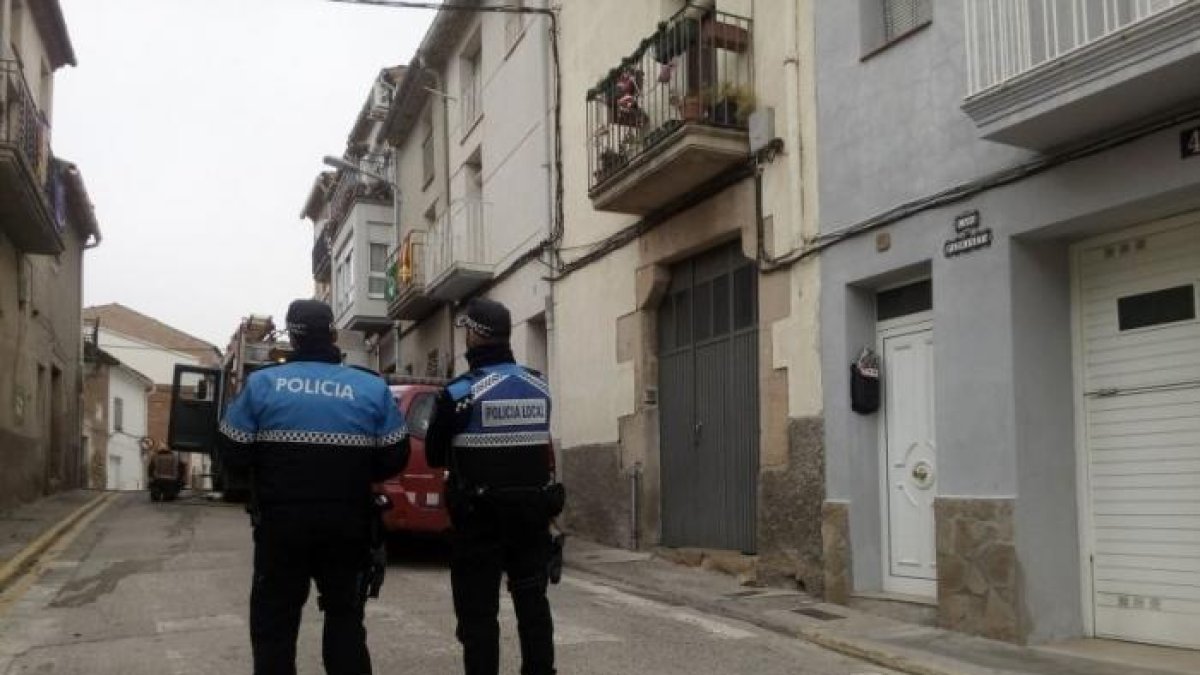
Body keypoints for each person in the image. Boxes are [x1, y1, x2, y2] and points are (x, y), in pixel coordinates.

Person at [218, 299, 409, 675]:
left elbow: (233, 453)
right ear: (333, 335)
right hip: (347, 525)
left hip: (279, 526)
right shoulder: (369, 387)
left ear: (292, 337)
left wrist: (269, 470)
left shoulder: (262, 385)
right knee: (345, 619)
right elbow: (394, 457)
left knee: (274, 624)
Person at [426, 298, 562, 675]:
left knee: (478, 616)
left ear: (473, 334)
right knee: (533, 605)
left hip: (479, 520)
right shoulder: (539, 386)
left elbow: (436, 456)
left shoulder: (459, 394)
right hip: (532, 516)